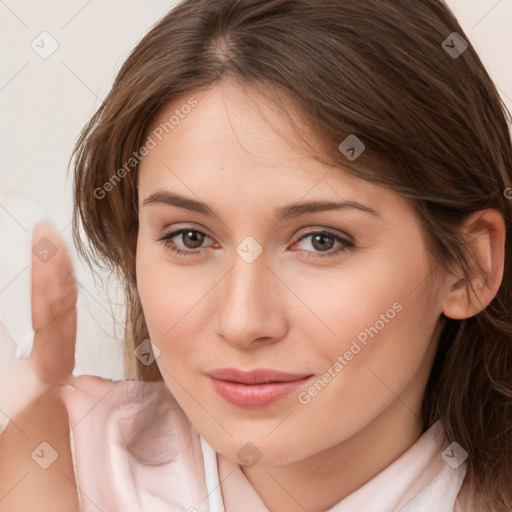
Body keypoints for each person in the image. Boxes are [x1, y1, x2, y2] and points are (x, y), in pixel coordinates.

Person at [1, 0, 511, 510]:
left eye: (321, 240)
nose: (243, 323)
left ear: (469, 266)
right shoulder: (45, 458)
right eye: (190, 238)